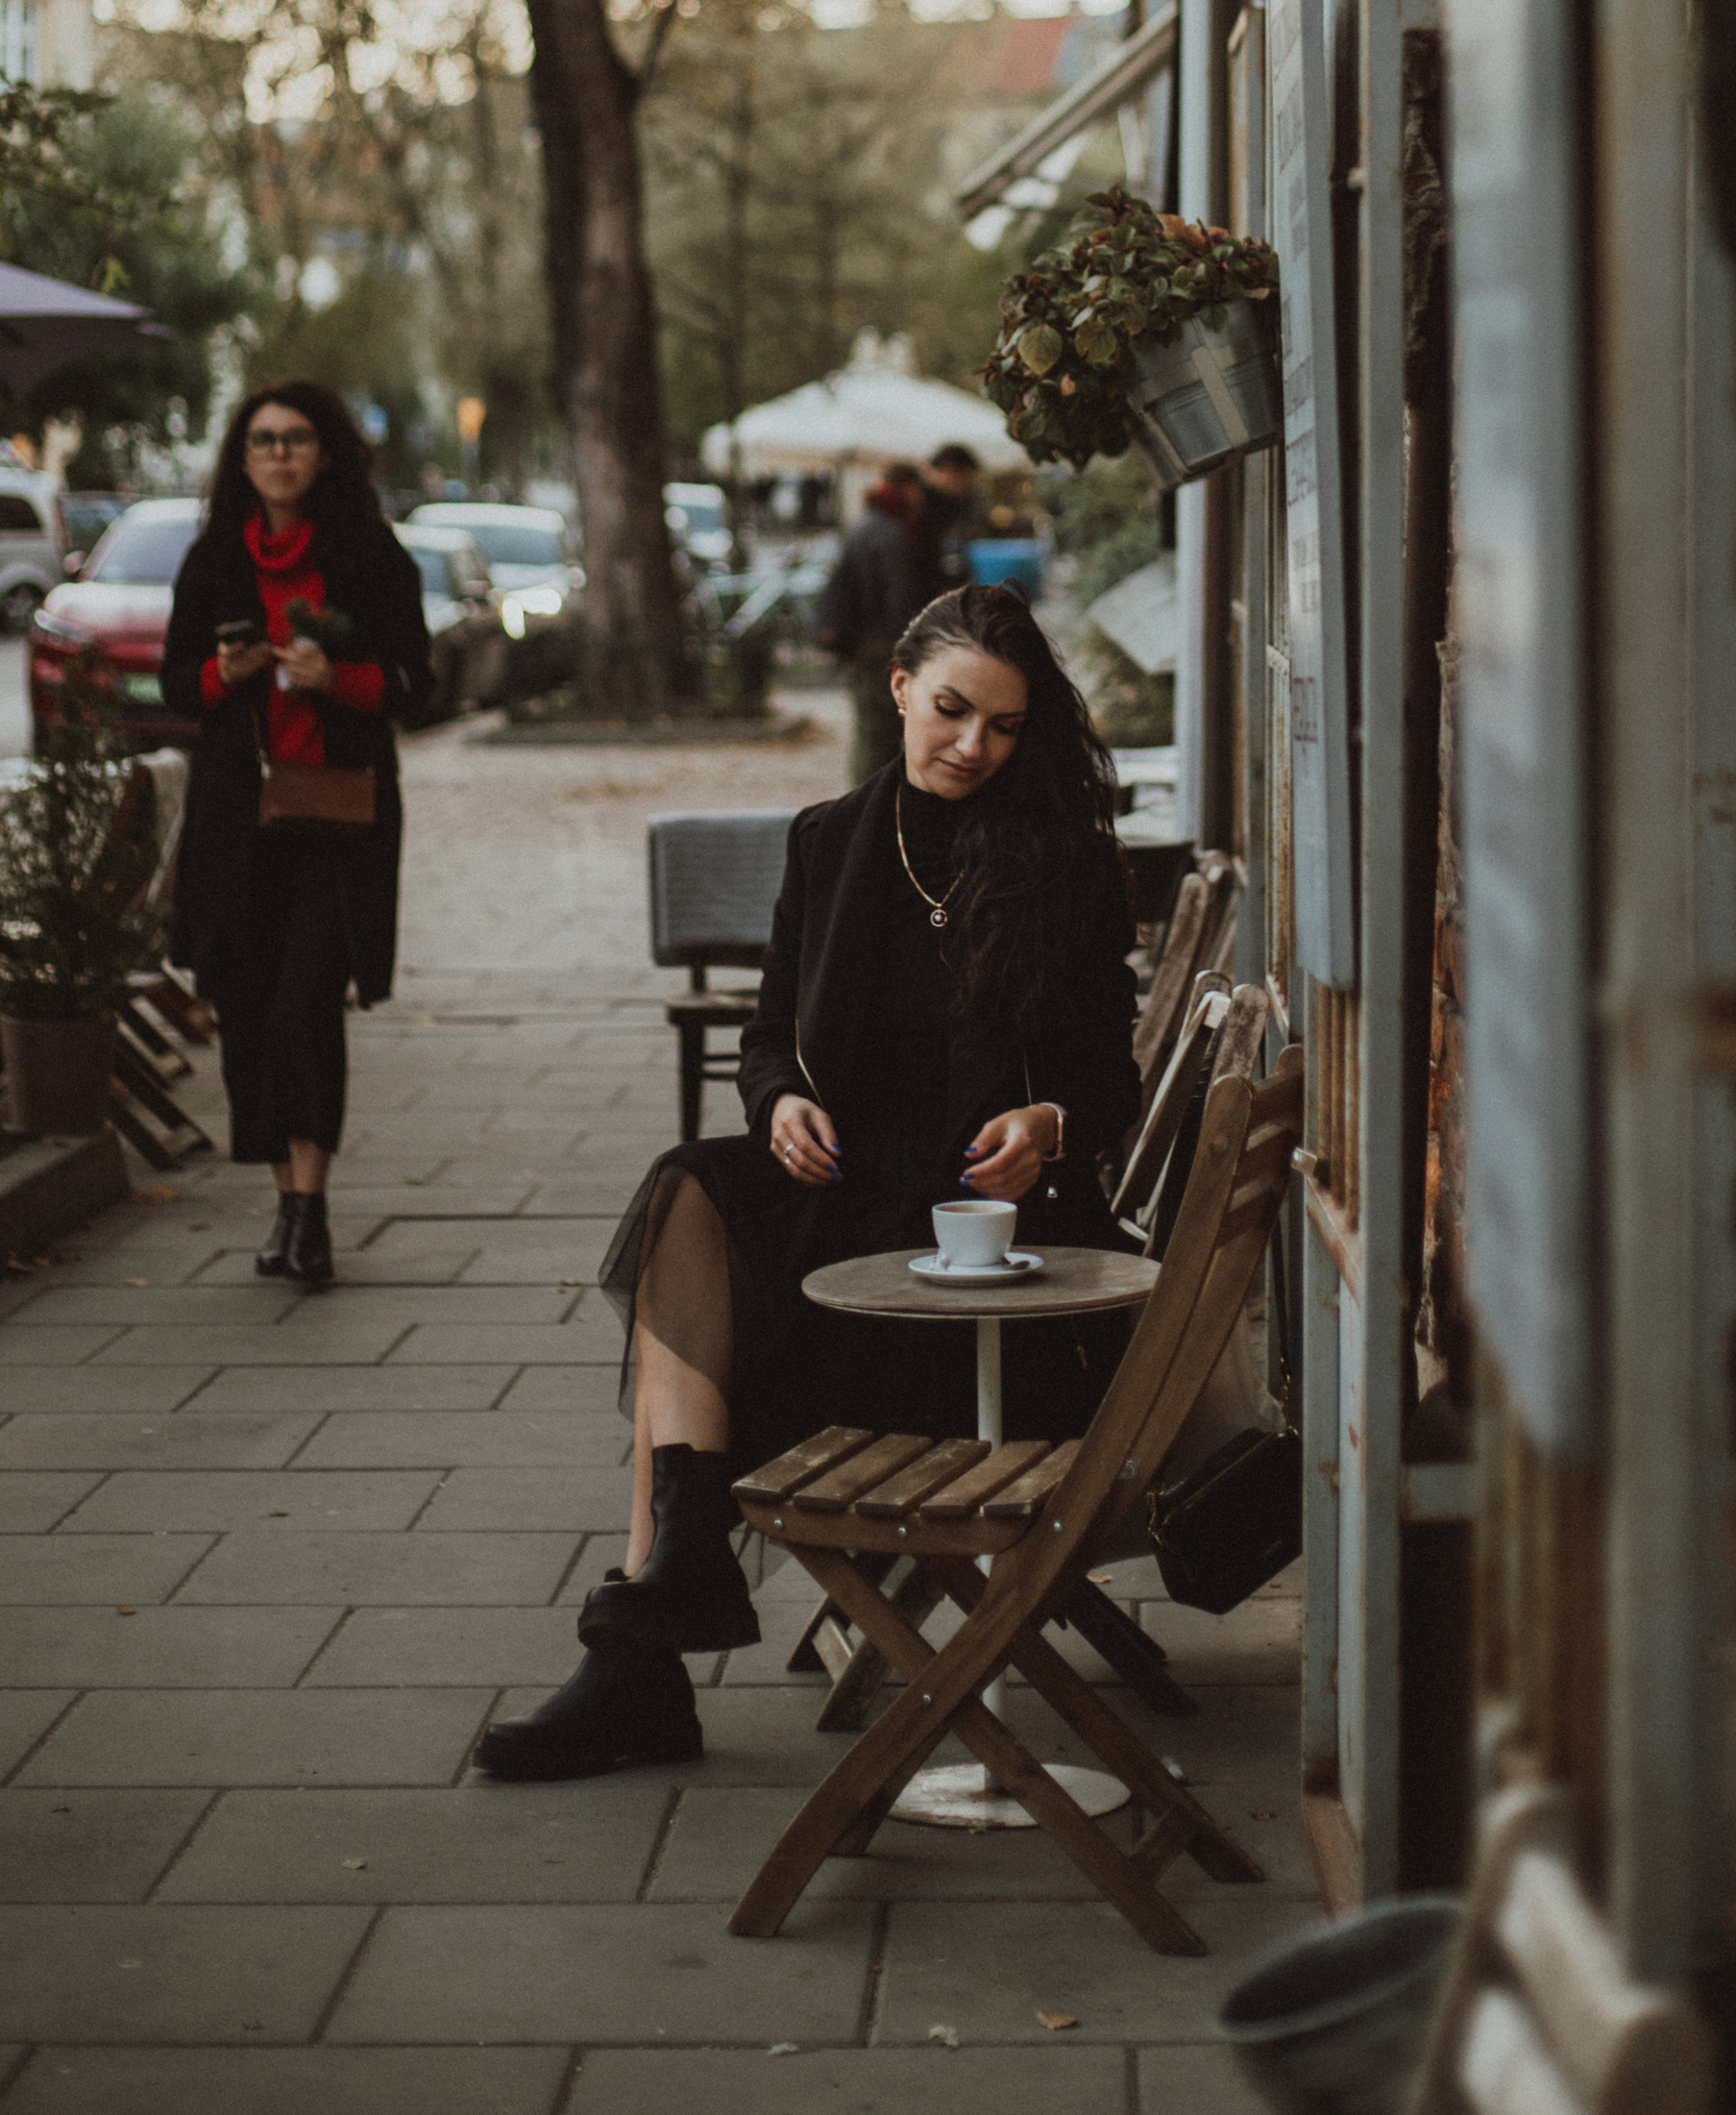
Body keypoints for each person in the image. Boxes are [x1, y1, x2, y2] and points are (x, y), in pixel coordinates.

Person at [475, 580, 1140, 1782]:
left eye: (1000, 725)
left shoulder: (1068, 864)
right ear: (896, 687)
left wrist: (1048, 1120)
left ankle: (641, 1644)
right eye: (947, 710)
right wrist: (779, 1101)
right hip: (843, 1206)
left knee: (700, 1310)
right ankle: (671, 1573)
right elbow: (771, 1032)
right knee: (690, 1186)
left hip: (988, 1264)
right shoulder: (830, 839)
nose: (970, 746)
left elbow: (1111, 1081)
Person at [160, 381, 433, 1288]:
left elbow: (413, 683)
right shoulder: (213, 563)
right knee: (247, 1006)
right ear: (243, 460)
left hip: (337, 819)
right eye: (264, 441)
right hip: (241, 824)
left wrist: (339, 679)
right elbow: (171, 685)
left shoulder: (371, 557)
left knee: (302, 1006)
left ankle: (311, 1209)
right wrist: (222, 672)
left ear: (325, 456)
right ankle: (286, 1204)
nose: (280, 454)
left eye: (297, 439)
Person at [816, 459, 934, 782]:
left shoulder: (861, 523)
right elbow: (899, 596)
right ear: (907, 489)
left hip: (860, 642)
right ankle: (868, 807)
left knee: (870, 729)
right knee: (880, 733)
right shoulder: (891, 532)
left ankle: (864, 802)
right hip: (882, 643)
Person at [919, 439, 983, 591]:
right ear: (947, 470)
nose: (967, 485)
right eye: (965, 478)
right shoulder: (921, 507)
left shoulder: (957, 503)